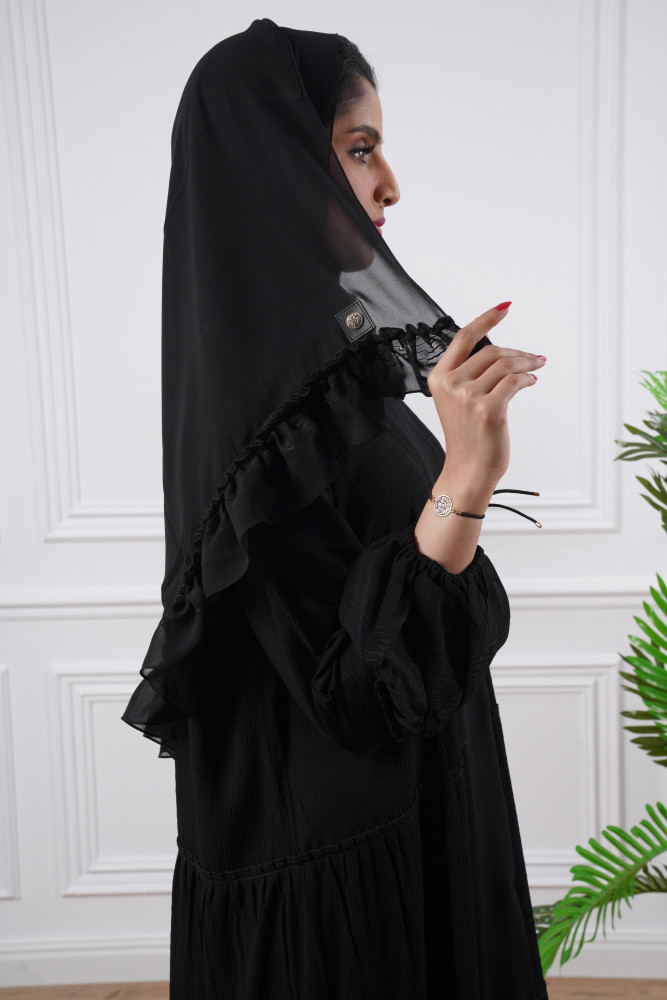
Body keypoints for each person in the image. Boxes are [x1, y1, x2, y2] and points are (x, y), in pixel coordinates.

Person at [121, 18, 550, 999]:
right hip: (345, 886)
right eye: (360, 149)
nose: (389, 184)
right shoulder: (260, 422)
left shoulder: (332, 384)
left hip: (410, 820)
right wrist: (466, 476)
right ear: (273, 165)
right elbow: (358, 694)